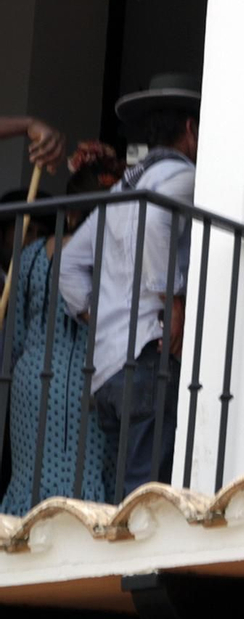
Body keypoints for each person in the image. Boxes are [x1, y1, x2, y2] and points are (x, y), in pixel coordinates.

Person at [59, 73, 200, 499]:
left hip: (107, 369)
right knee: (146, 497)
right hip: (146, 356)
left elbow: (67, 264)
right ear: (191, 130)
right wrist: (171, 300)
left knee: (128, 494)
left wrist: (97, 315)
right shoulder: (185, 177)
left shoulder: (121, 189)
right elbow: (156, 221)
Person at [1, 147, 125, 515]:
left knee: (31, 486)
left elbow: (16, 338)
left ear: (70, 212)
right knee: (88, 493)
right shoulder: (118, 259)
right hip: (95, 381)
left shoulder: (34, 254)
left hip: (35, 385)